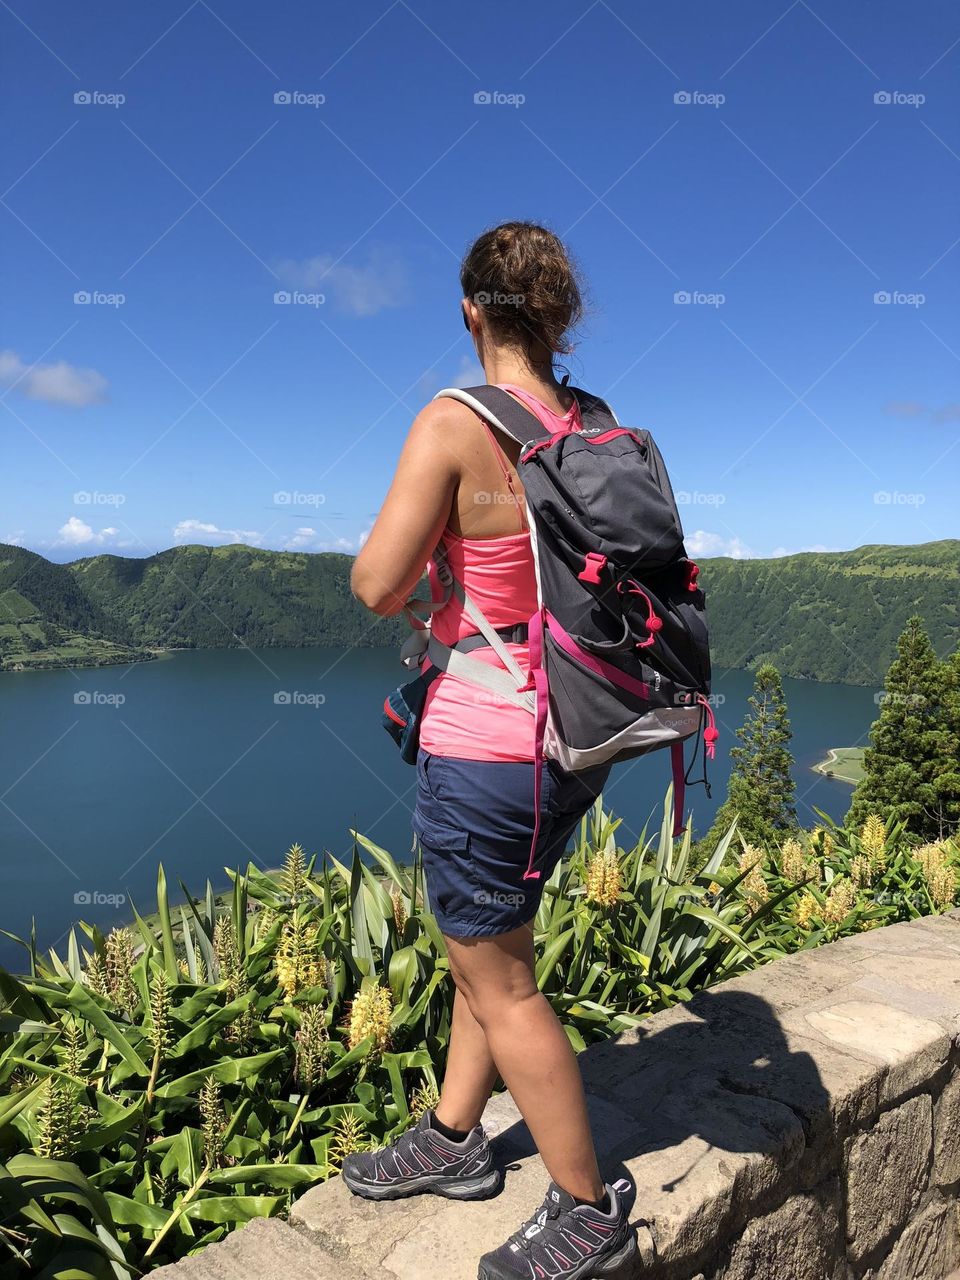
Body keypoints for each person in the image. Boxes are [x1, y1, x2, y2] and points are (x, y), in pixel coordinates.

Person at [349, 222, 636, 1280]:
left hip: (485, 743)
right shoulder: (599, 423)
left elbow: (379, 582)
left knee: (501, 979)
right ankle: (458, 1136)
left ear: (471, 311)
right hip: (577, 734)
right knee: (492, 941)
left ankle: (586, 1204)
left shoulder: (453, 422)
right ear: (559, 316)